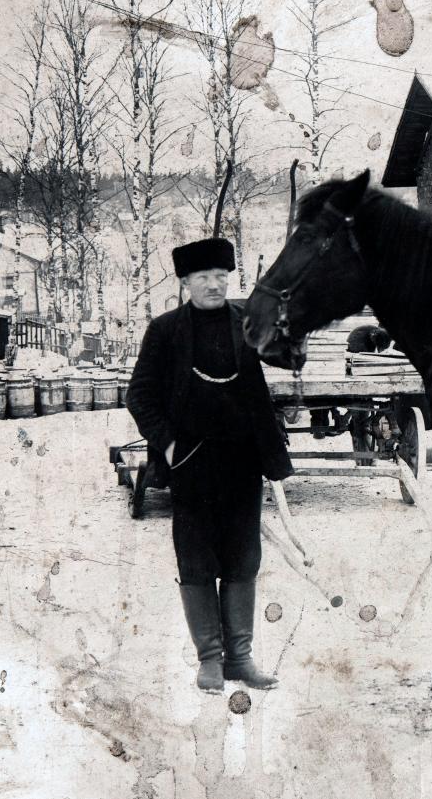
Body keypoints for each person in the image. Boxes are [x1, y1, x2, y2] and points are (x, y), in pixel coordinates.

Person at [125, 237, 293, 694]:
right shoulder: (165, 331)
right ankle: (210, 661)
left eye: (221, 276)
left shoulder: (246, 322)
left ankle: (240, 658)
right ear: (185, 283)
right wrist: (171, 445)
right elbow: (138, 395)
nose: (214, 285)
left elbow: (288, 355)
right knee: (197, 558)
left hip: (243, 459)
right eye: (203, 278)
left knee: (243, 557)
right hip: (192, 463)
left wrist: (288, 324)